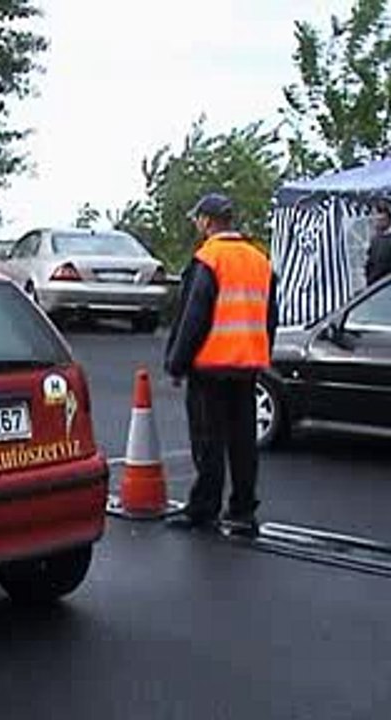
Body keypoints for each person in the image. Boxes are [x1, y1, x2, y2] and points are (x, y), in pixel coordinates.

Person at [163, 192, 278, 537]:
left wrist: (177, 363)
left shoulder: (209, 259)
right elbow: (270, 316)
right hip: (247, 366)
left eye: (198, 219)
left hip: (210, 366)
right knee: (243, 443)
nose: (198, 225)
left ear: (208, 221)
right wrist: (259, 351)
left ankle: (204, 508)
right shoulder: (260, 259)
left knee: (208, 441)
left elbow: (193, 317)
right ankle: (243, 511)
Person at [364, 201, 391, 286]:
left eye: (377, 215)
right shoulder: (375, 241)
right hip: (375, 287)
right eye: (373, 215)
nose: (374, 219)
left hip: (389, 286)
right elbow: (369, 265)